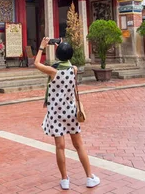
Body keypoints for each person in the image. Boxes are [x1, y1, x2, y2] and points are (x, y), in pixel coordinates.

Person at [34, 37, 100, 190]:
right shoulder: (74, 69)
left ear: (58, 55)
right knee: (79, 145)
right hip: (70, 111)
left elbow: (37, 63)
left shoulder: (53, 71)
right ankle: (89, 177)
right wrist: (61, 48)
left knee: (60, 147)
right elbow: (67, 62)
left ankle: (64, 180)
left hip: (56, 112)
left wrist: (42, 46)